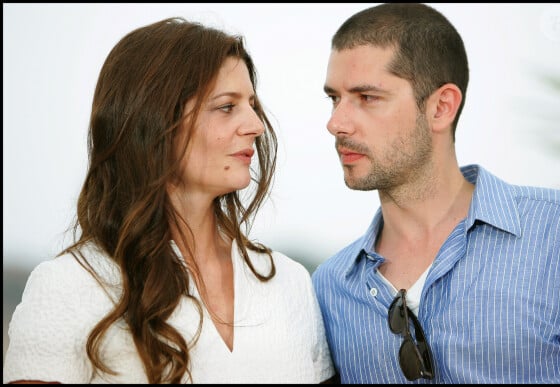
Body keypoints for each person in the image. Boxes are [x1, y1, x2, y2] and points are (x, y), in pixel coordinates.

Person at [3, 17, 336, 384]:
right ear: (154, 119)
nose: (255, 125)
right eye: (227, 106)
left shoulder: (289, 283)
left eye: (252, 104)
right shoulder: (69, 285)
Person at [312, 3, 560, 384]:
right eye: (334, 98)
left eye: (367, 97)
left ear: (441, 107)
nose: (335, 123)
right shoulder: (329, 288)